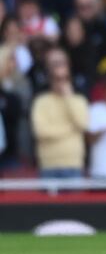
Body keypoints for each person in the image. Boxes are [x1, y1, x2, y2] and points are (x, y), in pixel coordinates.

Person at [30, 47, 89, 178]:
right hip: (48, 165)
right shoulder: (41, 101)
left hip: (73, 164)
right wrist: (70, 129)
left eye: (65, 78)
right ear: (50, 78)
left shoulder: (79, 100)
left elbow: (83, 125)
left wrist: (68, 98)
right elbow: (40, 132)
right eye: (57, 78)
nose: (61, 82)